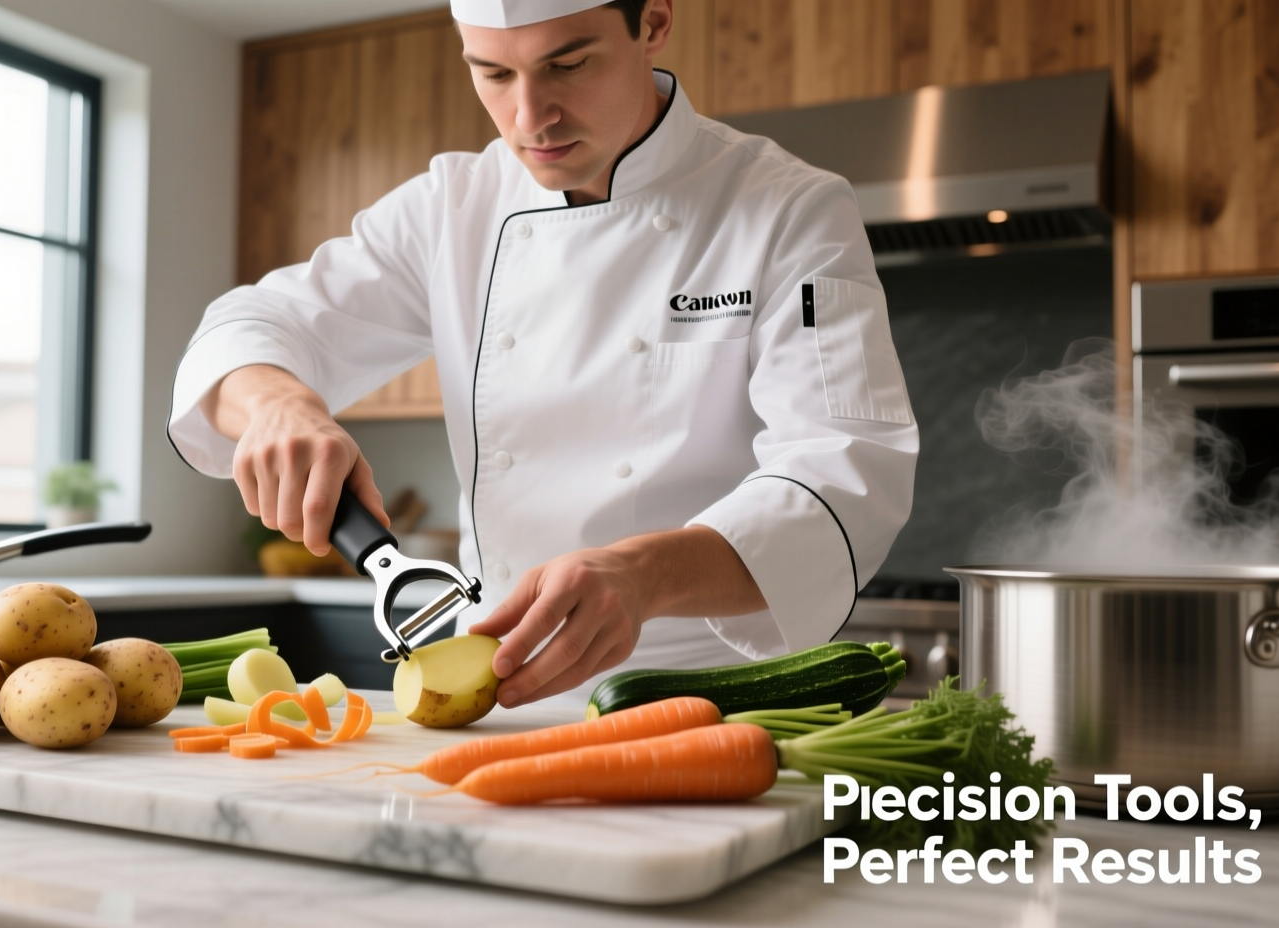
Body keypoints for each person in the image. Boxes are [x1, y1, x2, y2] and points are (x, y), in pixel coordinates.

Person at [168, 0, 918, 708]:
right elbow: (254, 321)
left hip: (712, 702)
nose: (530, 117)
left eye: (568, 65)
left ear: (653, 22)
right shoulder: (450, 207)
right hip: (492, 692)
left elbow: (846, 469)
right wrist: (277, 404)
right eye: (493, 73)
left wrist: (643, 574)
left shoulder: (788, 207)